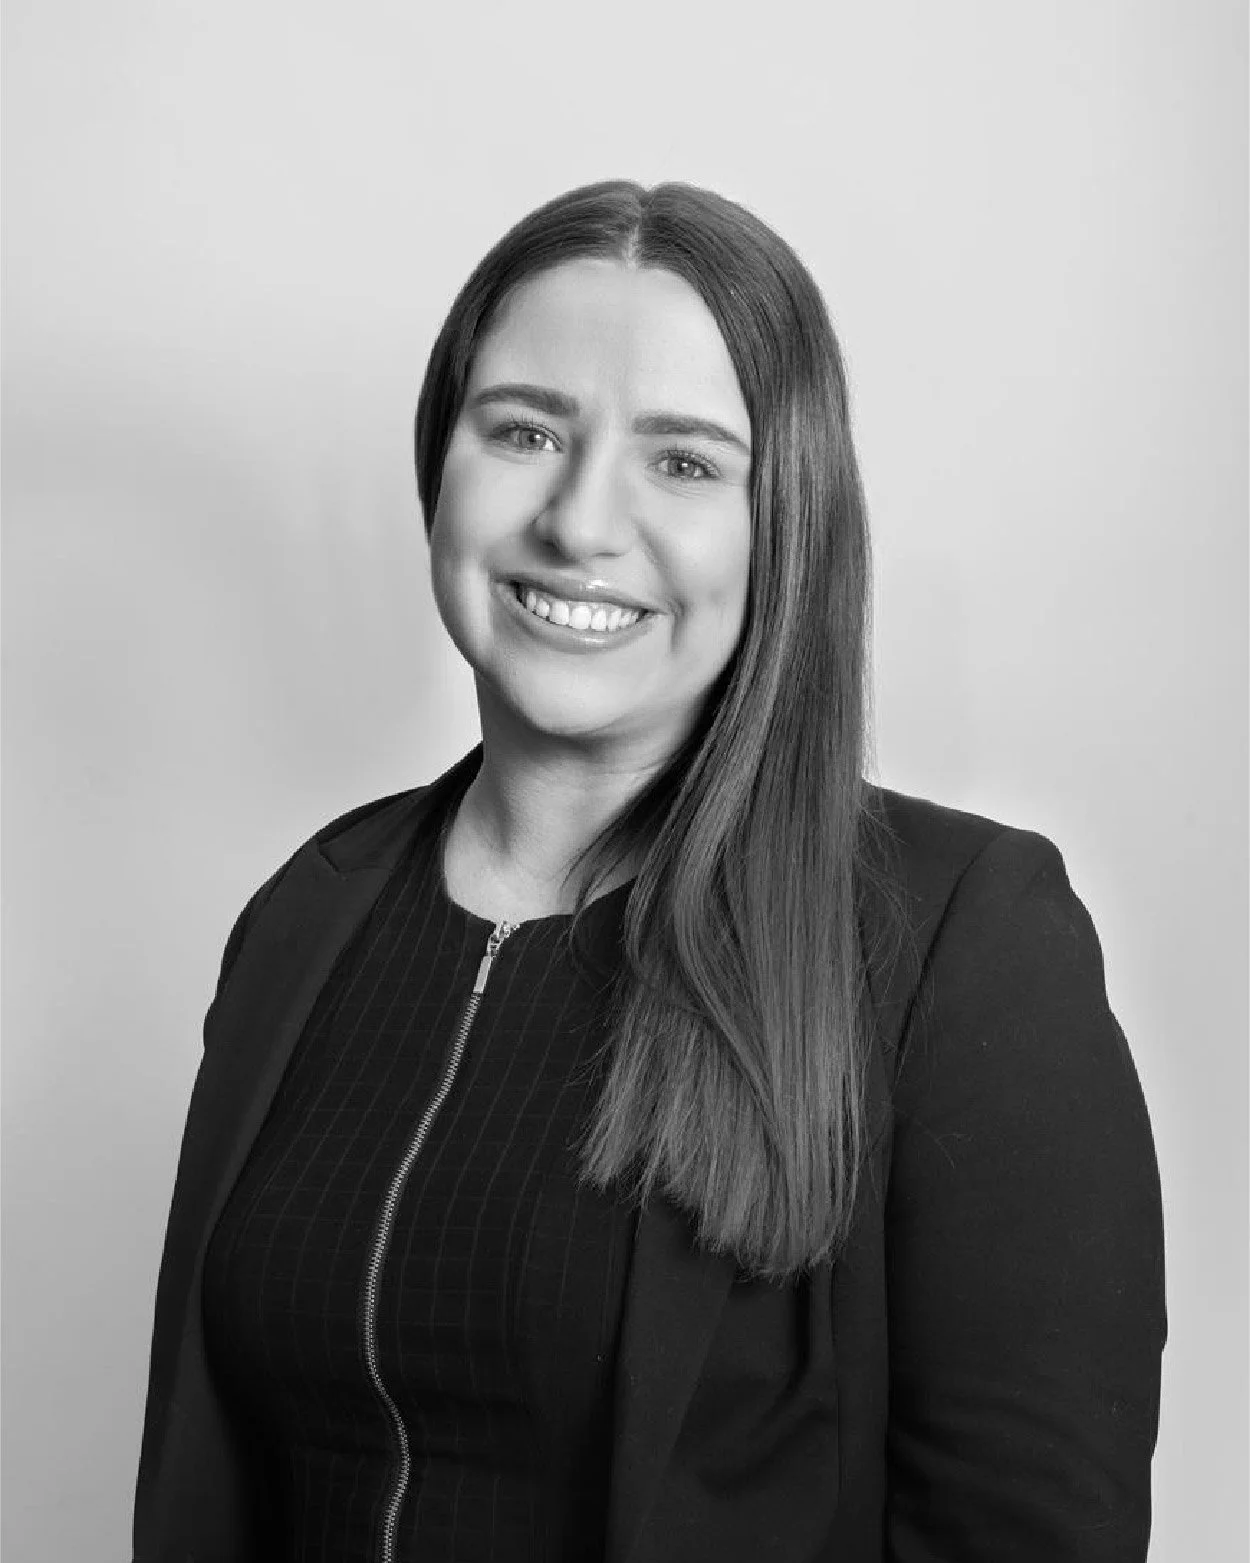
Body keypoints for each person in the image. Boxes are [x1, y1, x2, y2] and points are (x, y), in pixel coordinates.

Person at [132, 180, 1166, 1563]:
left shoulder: (961, 943)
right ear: (440, 465)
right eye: (523, 431)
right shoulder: (308, 914)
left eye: (681, 462)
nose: (579, 521)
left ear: (782, 521)